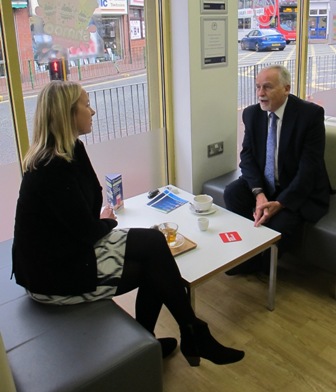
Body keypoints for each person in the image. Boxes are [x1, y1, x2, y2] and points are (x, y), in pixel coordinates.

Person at [11, 80, 244, 367]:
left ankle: (160, 343)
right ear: (68, 114)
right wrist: (106, 223)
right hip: (54, 275)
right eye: (86, 104)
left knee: (155, 248)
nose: (92, 111)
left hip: (70, 250)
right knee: (154, 265)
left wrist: (99, 221)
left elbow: (86, 209)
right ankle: (185, 335)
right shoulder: (50, 168)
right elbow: (86, 229)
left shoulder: (73, 149)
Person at [224, 65, 330, 275]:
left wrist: (281, 203)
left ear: (286, 88)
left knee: (281, 224)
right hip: (267, 185)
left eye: (267, 87)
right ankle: (247, 252)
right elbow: (247, 157)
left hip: (298, 188)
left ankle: (259, 263)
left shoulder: (310, 115)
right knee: (233, 192)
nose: (260, 94)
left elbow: (310, 169)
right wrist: (259, 194)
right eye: (257, 87)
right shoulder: (252, 114)